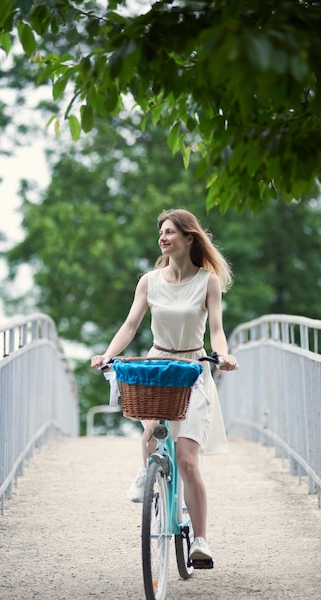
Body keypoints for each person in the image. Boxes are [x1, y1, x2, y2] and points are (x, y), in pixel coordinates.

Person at [91, 208, 238, 562]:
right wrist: (107, 355)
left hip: (193, 368)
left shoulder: (208, 281)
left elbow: (216, 329)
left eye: (170, 231)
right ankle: (148, 474)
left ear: (189, 238)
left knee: (187, 459)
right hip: (157, 366)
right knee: (153, 431)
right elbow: (130, 325)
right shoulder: (149, 281)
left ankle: (200, 541)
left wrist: (224, 355)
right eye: (161, 231)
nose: (163, 237)